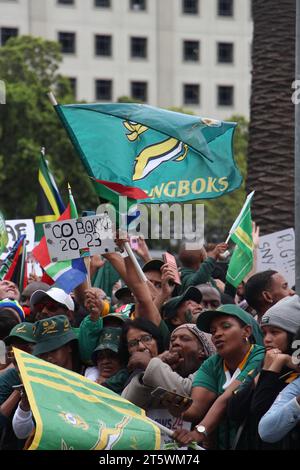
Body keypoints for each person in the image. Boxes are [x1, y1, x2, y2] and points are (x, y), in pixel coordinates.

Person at [172, 305, 265, 449]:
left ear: (246, 331)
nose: (217, 334)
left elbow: (226, 398)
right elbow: (195, 409)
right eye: (213, 331)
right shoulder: (212, 364)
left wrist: (199, 432)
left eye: (226, 326)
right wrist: (174, 406)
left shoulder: (261, 356)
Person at [227, 294, 300, 449]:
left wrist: (272, 370)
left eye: (275, 332)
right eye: (264, 332)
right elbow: (234, 410)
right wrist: (265, 372)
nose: (267, 339)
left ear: (294, 336)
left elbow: (260, 411)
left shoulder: (295, 375)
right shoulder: (265, 362)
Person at [0, 323, 36, 450]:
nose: (18, 357)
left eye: (25, 350)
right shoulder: (9, 376)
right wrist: (19, 390)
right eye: (13, 351)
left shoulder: (50, 373)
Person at [86, 327, 128, 394]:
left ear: (123, 359)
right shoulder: (88, 379)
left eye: (112, 356)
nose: (105, 362)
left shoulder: (130, 383)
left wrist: (107, 383)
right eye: (101, 357)